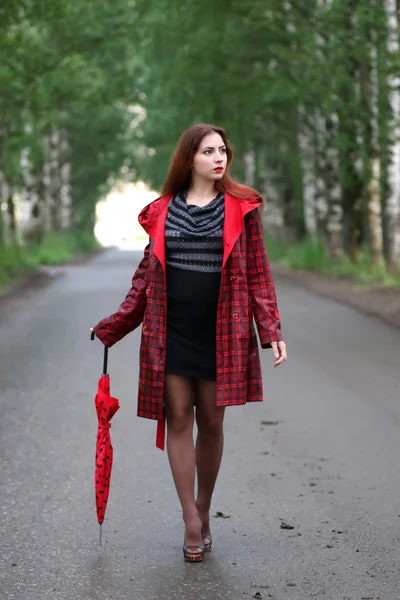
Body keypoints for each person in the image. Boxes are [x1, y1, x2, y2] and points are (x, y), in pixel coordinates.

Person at [92, 123, 287, 563]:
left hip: (222, 332)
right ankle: (190, 519)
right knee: (178, 417)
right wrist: (114, 325)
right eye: (208, 151)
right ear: (189, 158)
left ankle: (204, 504)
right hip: (171, 330)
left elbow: (258, 274)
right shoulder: (162, 211)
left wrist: (270, 330)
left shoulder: (241, 208)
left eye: (223, 150)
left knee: (212, 423)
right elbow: (145, 278)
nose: (219, 158)